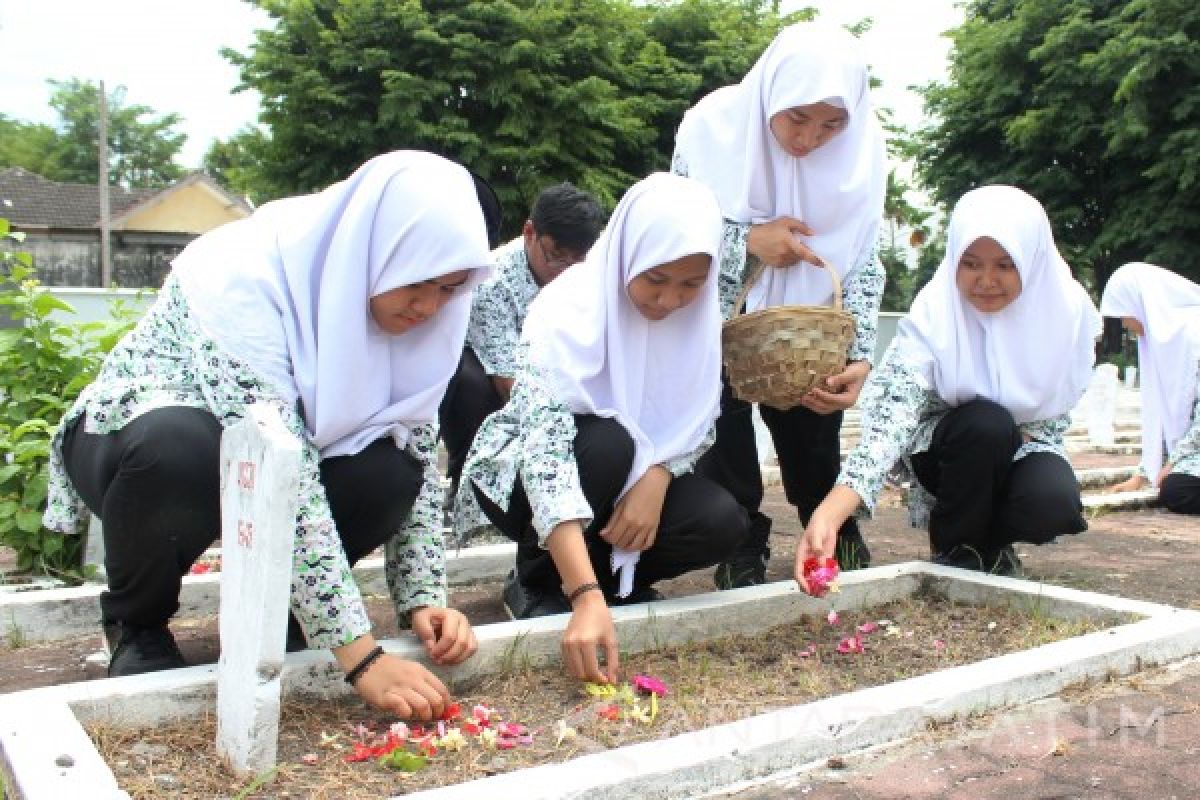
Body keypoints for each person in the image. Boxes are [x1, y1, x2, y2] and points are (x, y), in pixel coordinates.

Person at [44, 152, 495, 720]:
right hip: (135, 443)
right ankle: (138, 626)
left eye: (449, 288)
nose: (429, 307)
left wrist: (425, 599)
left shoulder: (424, 317)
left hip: (270, 464)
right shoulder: (246, 276)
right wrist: (361, 658)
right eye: (417, 283)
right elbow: (285, 465)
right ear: (371, 253)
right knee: (179, 447)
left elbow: (420, 456)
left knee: (387, 467)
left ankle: (291, 616)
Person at [454, 173, 748, 683]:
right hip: (524, 480)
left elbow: (696, 424)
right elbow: (546, 455)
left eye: (690, 285)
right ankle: (539, 581)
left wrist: (658, 475)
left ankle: (616, 583)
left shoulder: (695, 323)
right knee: (609, 442)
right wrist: (582, 597)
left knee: (720, 518)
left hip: (628, 477)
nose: (668, 301)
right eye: (655, 280)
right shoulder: (567, 307)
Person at [795, 185, 1102, 590]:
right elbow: (891, 420)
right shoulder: (934, 316)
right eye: (971, 263)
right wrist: (831, 511)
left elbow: (1057, 407)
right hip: (946, 451)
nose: (986, 281)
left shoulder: (1066, 313)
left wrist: (1021, 434)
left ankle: (991, 547)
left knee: (1052, 502)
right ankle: (956, 551)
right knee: (986, 424)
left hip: (1025, 444)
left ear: (1032, 261)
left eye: (1005, 265)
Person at [671, 22, 888, 589]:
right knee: (721, 428)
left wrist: (859, 354)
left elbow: (866, 257)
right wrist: (747, 240)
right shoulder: (709, 128)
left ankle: (833, 525)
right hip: (715, 321)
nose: (810, 139)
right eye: (796, 118)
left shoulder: (865, 149)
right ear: (770, 92)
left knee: (813, 425)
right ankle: (741, 534)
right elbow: (667, 227)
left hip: (811, 325)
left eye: (831, 124)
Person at [440, 183, 604, 497]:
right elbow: (507, 380)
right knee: (467, 380)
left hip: (567, 377)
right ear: (529, 232)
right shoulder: (492, 282)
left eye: (577, 261)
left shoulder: (592, 273)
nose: (565, 271)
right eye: (556, 257)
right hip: (504, 385)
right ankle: (471, 479)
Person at [1101, 263, 1200, 513]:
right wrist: (1144, 474)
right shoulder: (1164, 344)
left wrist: (1175, 461)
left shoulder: (1193, 335)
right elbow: (1163, 414)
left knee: (1178, 489)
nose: (1125, 324)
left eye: (1124, 314)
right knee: (1175, 487)